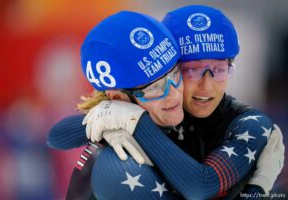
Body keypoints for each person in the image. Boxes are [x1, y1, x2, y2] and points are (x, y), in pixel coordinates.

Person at [48, 5, 285, 200]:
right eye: (190, 72)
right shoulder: (118, 155)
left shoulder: (248, 124)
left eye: (219, 70)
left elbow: (201, 185)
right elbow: (57, 135)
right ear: (120, 98)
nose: (206, 86)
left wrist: (134, 122)